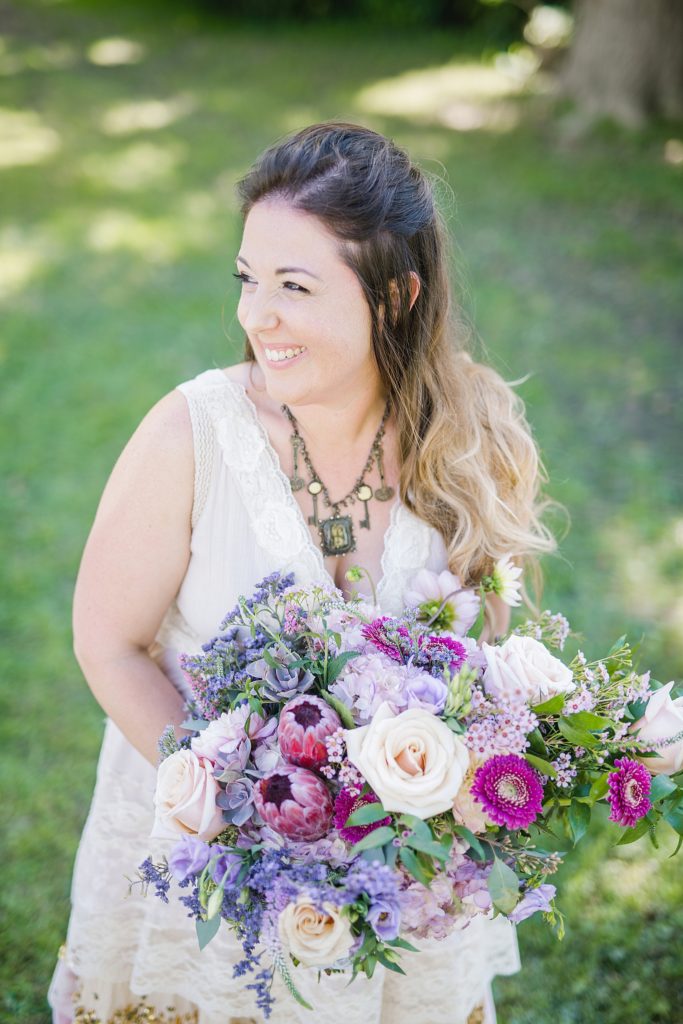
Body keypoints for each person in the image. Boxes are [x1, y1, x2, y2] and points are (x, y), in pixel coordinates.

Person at [48, 122, 557, 1024]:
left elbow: (478, 660)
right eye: (247, 279)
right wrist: (240, 811)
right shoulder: (191, 434)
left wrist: (427, 801)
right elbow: (108, 644)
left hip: (396, 878)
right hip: (213, 862)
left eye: (293, 286)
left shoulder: (471, 434)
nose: (256, 316)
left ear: (394, 296)